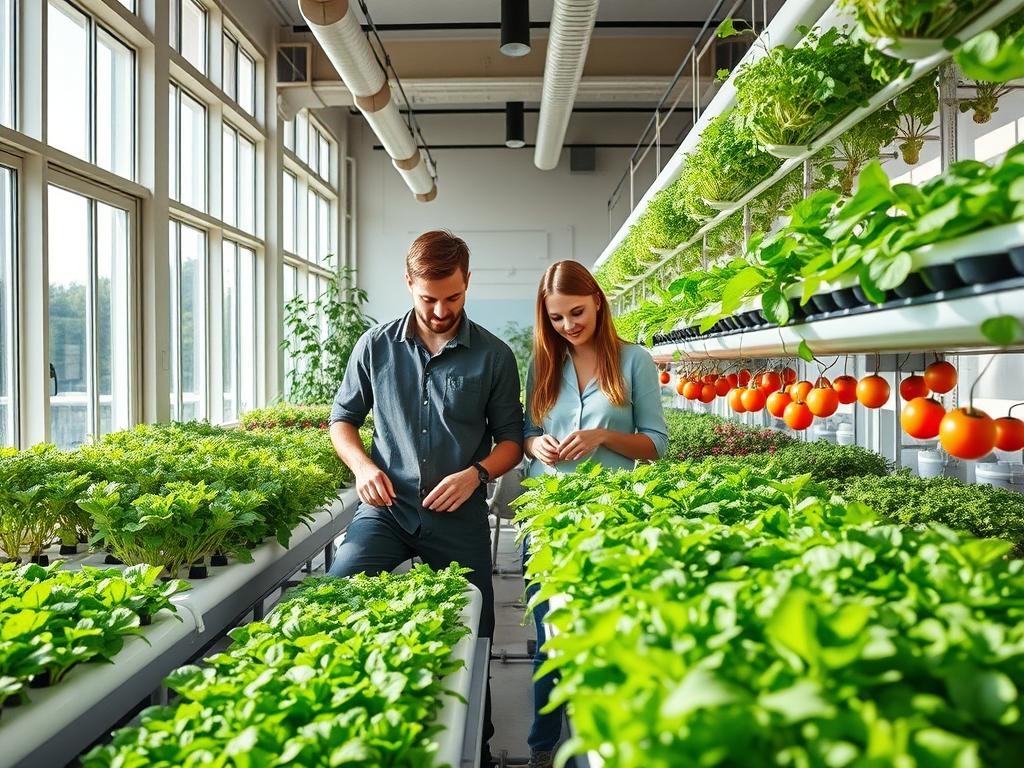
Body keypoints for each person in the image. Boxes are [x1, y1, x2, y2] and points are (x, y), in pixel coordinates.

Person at [326, 230, 524, 766]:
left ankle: (475, 748)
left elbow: (512, 442)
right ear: (409, 284)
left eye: (453, 297)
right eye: (428, 297)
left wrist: (476, 474)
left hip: (458, 514)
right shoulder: (375, 346)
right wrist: (363, 465)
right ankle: (348, 731)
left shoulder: (494, 355)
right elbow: (342, 420)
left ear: (467, 283)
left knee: (475, 625)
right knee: (334, 596)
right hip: (386, 510)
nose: (441, 310)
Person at [521, 260, 668, 768]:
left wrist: (602, 435)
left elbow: (655, 446)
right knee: (551, 637)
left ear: (598, 301)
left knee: (614, 634)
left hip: (614, 518)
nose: (568, 326)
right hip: (548, 519)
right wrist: (536, 445)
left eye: (576, 313)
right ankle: (543, 745)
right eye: (557, 318)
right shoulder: (542, 365)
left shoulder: (633, 362)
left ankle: (614, 737)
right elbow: (526, 432)